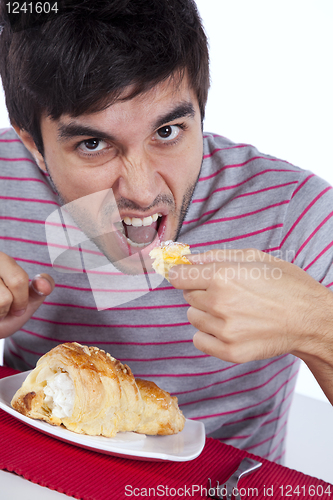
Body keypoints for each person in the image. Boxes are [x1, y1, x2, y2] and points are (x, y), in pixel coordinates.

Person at [0, 0, 332, 464]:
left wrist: (319, 326)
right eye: (93, 144)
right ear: (32, 143)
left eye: (169, 131)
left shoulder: (294, 214)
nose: (141, 190)